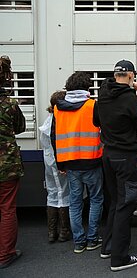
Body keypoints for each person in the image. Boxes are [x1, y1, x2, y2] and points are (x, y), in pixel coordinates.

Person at [97, 60, 137, 271]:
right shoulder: (131, 100)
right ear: (129, 76)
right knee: (126, 205)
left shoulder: (102, 94)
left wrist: (131, 87)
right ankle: (119, 258)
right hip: (126, 158)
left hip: (107, 155)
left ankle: (107, 247)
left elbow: (95, 121)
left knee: (115, 202)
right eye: (134, 77)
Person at [51, 72, 104, 254]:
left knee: (75, 202)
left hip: (71, 163)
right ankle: (92, 239)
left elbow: (54, 137)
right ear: (87, 87)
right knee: (96, 199)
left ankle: (79, 242)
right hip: (92, 161)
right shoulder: (92, 106)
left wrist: (60, 164)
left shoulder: (58, 108)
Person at [0, 55, 25, 269]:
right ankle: (5, 254)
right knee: (7, 209)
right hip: (6, 165)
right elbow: (19, 128)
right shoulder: (10, 104)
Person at [39, 91, 71, 243]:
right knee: (64, 194)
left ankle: (52, 233)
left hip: (49, 162)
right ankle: (64, 231)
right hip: (60, 162)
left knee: (52, 193)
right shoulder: (60, 121)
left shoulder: (47, 121)